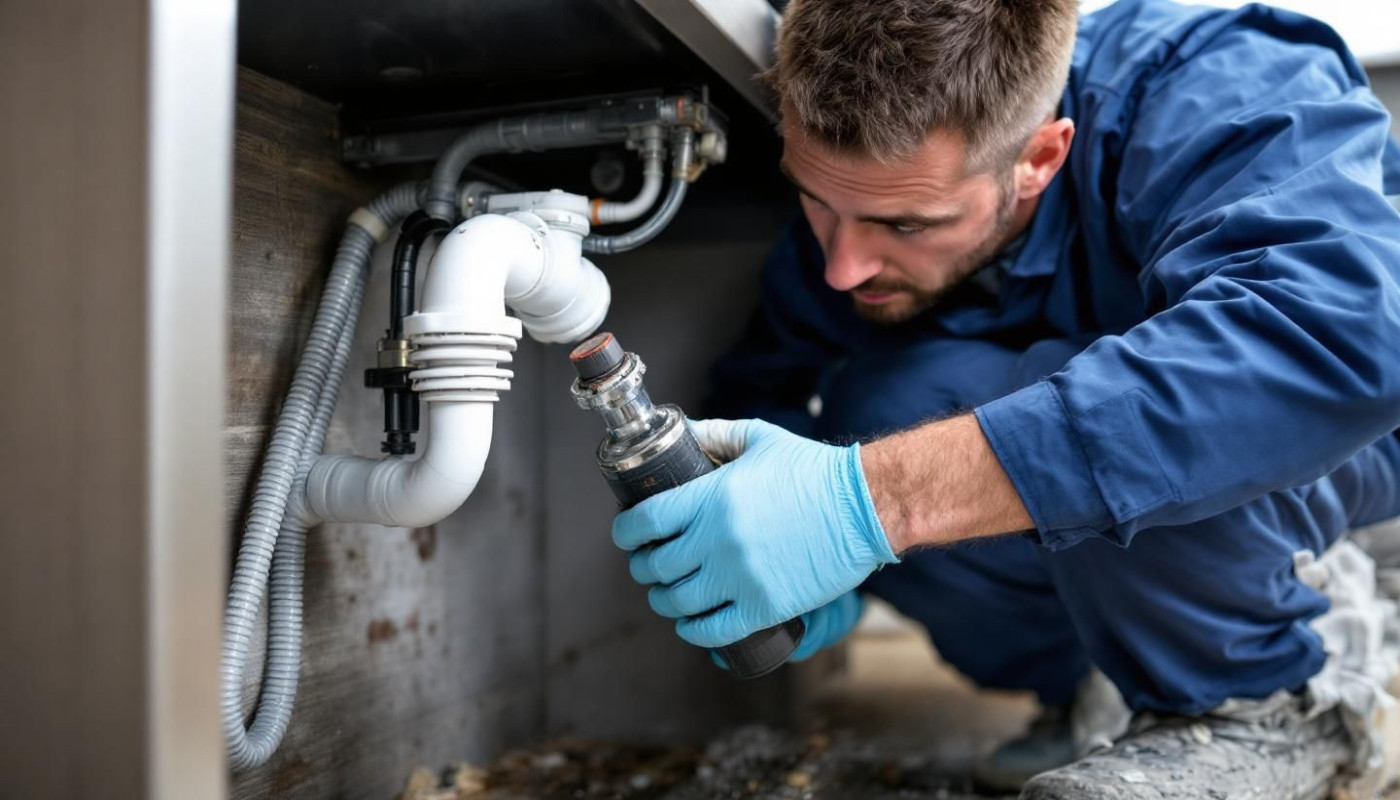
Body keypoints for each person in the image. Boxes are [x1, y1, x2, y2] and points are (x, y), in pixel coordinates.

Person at [610, 0, 1400, 796]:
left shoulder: (1223, 84)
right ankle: (1103, 684)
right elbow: (763, 391)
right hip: (1135, 541)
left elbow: (1337, 336)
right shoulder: (855, 231)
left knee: (1091, 398)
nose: (843, 266)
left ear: (1040, 159)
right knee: (887, 406)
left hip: (1341, 442)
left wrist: (874, 500)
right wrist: (806, 559)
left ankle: (1263, 702)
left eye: (908, 225)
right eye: (818, 202)